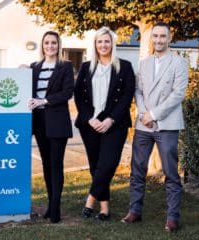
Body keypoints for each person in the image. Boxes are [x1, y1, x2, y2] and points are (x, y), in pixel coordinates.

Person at [121, 21, 188, 232]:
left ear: (169, 38)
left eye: (162, 36)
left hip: (167, 124)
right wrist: (143, 114)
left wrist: (154, 114)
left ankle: (172, 218)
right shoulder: (144, 62)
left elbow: (178, 94)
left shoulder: (179, 63)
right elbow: (138, 91)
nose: (158, 40)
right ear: (151, 38)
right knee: (137, 169)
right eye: (155, 36)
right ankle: (135, 211)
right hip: (143, 125)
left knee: (170, 172)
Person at [74, 27, 135, 221]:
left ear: (112, 44)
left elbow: (127, 96)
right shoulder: (86, 67)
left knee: (108, 164)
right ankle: (104, 209)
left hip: (115, 124)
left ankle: (90, 201)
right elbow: (79, 96)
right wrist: (89, 118)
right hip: (90, 124)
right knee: (96, 167)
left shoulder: (124, 67)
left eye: (107, 41)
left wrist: (111, 119)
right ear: (95, 44)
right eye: (100, 42)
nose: (103, 45)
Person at [28, 31, 74, 223]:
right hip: (38, 121)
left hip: (57, 121)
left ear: (58, 45)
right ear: (42, 45)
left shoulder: (65, 66)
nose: (50, 46)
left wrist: (44, 101)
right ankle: (49, 205)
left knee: (56, 164)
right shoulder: (34, 67)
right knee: (46, 164)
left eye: (53, 43)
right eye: (47, 43)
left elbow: (67, 93)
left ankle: (55, 208)